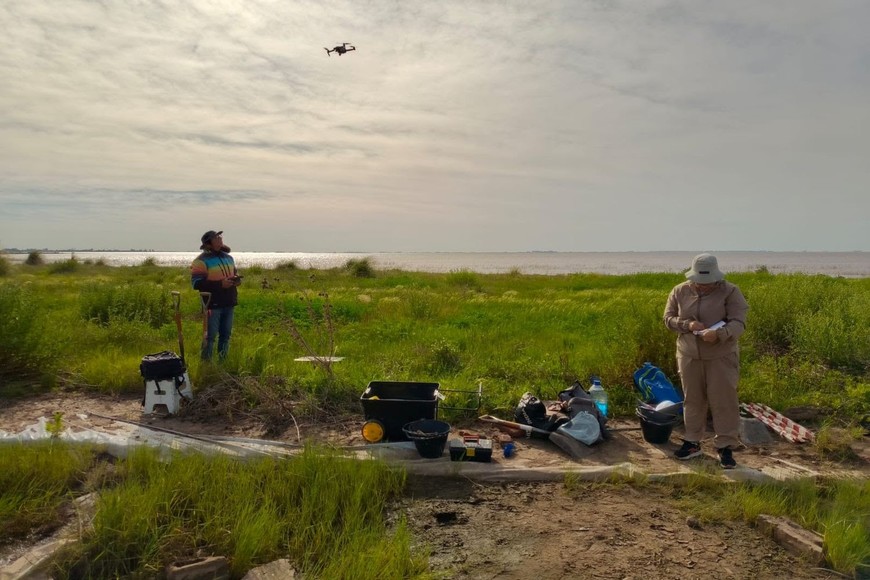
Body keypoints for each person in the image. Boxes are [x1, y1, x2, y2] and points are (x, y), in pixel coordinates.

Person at [663, 253, 748, 469]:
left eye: (707, 283)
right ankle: (692, 442)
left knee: (724, 400)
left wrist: (719, 334)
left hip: (721, 356)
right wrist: (687, 325)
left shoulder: (731, 291)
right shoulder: (679, 290)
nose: (702, 287)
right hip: (688, 354)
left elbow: (739, 323)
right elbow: (668, 319)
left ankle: (725, 446)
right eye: (698, 283)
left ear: (717, 277)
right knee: (692, 399)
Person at [191, 230, 241, 361]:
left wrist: (236, 280)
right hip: (212, 304)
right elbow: (196, 283)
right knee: (210, 336)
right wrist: (220, 284)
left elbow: (233, 273)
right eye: (216, 237)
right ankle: (206, 364)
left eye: (220, 236)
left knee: (226, 335)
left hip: (229, 302)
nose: (220, 239)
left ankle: (222, 363)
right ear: (208, 243)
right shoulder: (200, 261)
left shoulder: (228, 258)